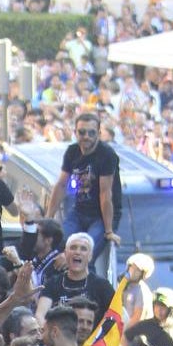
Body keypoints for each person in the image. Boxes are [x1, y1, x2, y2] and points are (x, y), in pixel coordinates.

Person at [46, 111, 121, 261]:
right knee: (57, 247)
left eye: (92, 133)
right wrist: (48, 218)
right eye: (82, 132)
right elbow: (61, 185)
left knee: (86, 254)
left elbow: (105, 194)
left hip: (101, 215)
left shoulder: (106, 155)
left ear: (99, 134)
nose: (86, 136)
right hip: (80, 210)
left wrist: (108, 230)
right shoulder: (72, 151)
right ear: (75, 133)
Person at [36, 232, 114, 323]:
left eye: (83, 249)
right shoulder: (52, 283)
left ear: (90, 256)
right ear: (65, 253)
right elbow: (40, 315)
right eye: (73, 248)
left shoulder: (102, 286)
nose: (77, 252)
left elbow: (118, 314)